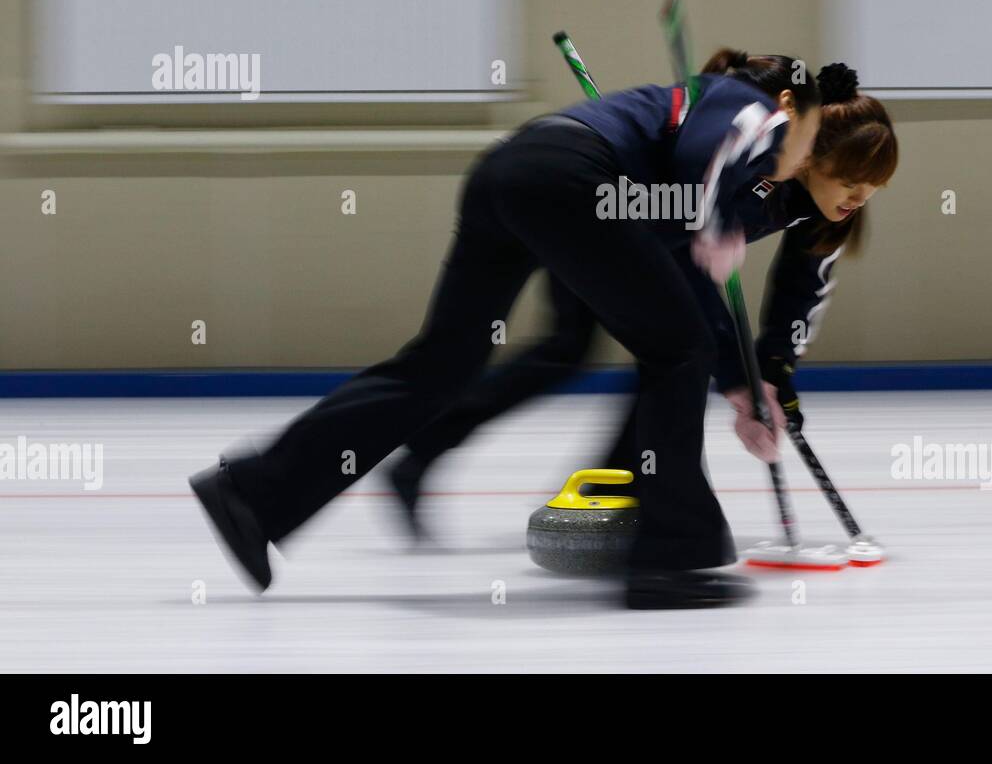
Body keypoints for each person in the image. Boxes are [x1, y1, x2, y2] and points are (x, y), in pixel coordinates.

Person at [188, 50, 821, 610]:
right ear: (791, 102)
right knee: (677, 349)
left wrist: (740, 384)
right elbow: (701, 164)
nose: (798, 160)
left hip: (513, 168)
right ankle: (670, 559)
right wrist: (711, 223)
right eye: (808, 141)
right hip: (572, 177)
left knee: (441, 365)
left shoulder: (701, 111)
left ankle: (252, 492)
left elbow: (682, 269)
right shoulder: (754, 107)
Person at [387, 59, 899, 524]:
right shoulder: (756, 162)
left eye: (874, 187)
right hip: (605, 224)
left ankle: (611, 489)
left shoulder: (827, 208)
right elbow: (686, 259)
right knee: (633, 350)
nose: (860, 199)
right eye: (850, 182)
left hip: (635, 241)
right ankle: (618, 495)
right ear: (810, 158)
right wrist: (738, 374)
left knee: (643, 352)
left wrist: (775, 369)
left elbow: (802, 288)